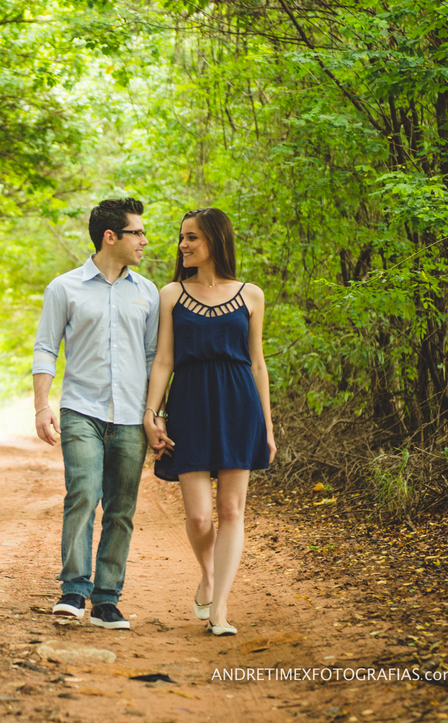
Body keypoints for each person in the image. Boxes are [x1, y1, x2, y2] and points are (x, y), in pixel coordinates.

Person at [143, 207, 277, 637]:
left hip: (240, 404)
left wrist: (268, 428)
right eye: (182, 237)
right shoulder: (171, 295)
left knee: (232, 509)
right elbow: (164, 359)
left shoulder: (251, 294)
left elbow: (258, 364)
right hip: (190, 405)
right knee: (200, 518)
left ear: (216, 240)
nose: (183, 245)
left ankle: (219, 609)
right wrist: (152, 413)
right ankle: (208, 572)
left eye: (192, 237)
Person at [33, 197, 159, 630]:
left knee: (121, 508)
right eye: (137, 232)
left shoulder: (147, 293)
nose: (144, 240)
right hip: (80, 410)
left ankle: (107, 599)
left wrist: (154, 413)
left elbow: (154, 359)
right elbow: (46, 348)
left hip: (130, 416)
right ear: (111, 237)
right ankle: (73, 590)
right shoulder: (64, 288)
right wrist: (41, 406)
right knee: (83, 494)